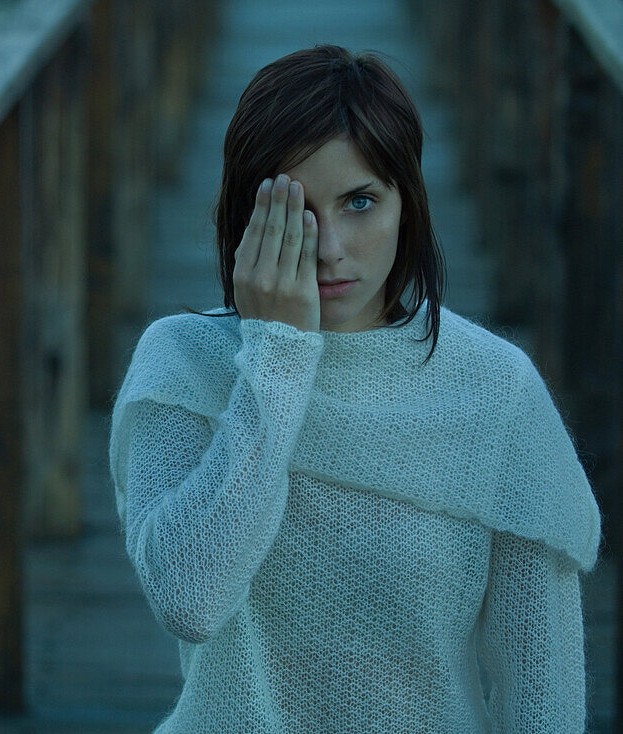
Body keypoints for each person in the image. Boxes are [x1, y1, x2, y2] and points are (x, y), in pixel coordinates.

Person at [108, 44, 602, 732]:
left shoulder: (497, 392)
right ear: (245, 216)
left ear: (408, 206)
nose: (329, 245)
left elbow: (541, 697)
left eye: (360, 201)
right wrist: (278, 354)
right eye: (296, 210)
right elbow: (191, 598)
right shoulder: (184, 364)